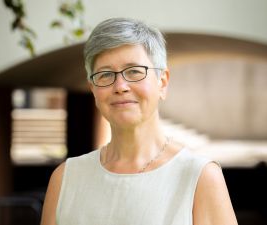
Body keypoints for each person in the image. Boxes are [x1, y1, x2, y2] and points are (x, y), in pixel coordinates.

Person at [40, 17, 238, 225]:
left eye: (134, 71)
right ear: (93, 89)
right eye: (106, 74)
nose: (120, 86)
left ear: (162, 82)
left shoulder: (199, 178)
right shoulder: (66, 179)